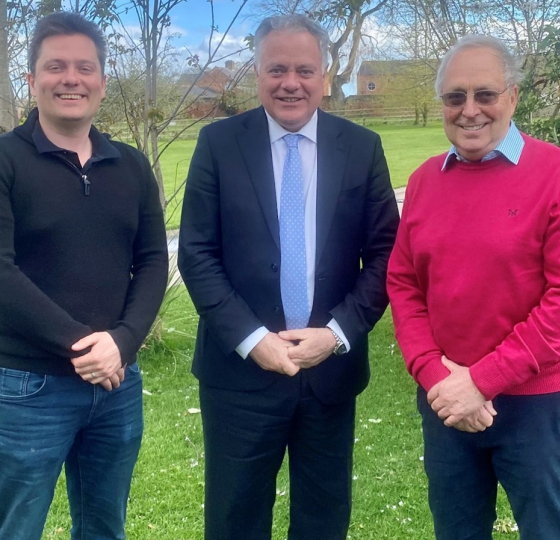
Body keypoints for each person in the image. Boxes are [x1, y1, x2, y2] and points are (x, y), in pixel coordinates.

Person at [178, 14, 400, 540]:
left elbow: (389, 254)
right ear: (256, 73)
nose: (291, 83)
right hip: (239, 378)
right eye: (276, 69)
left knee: (324, 521)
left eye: (304, 69)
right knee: (234, 519)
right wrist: (253, 341)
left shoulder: (361, 147)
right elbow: (197, 253)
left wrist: (337, 334)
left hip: (329, 374)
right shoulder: (218, 143)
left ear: (325, 74)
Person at [0, 11, 168, 540]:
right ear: (31, 80)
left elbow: (155, 260)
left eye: (85, 67)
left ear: (102, 80)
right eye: (55, 66)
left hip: (117, 386)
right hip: (28, 387)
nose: (71, 78)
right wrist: (86, 347)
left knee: (104, 528)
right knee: (16, 530)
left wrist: (123, 342)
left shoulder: (131, 166)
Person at [387, 35, 560, 540]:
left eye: (484, 94)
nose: (469, 111)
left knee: (547, 530)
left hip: (534, 405)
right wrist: (435, 375)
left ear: (513, 96)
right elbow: (403, 284)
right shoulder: (423, 181)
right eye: (454, 97)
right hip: (444, 399)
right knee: (456, 530)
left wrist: (480, 381)